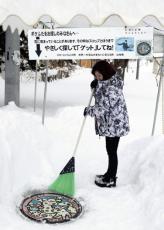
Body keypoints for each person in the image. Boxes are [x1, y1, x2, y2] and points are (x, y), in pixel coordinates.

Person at [83, 60, 130, 188]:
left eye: (99, 76)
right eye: (95, 76)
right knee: (110, 151)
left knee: (112, 151)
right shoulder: (107, 82)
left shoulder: (111, 88)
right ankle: (108, 174)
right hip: (112, 123)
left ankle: (111, 179)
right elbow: (101, 95)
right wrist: (96, 85)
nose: (97, 78)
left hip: (115, 124)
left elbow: (102, 108)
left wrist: (89, 111)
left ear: (105, 73)